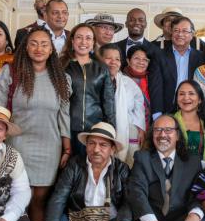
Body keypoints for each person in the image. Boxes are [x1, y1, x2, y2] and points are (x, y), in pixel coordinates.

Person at [0, 26, 72, 221]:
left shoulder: (62, 78)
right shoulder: (11, 72)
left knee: (38, 204)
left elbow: (64, 116)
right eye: (34, 43)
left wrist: (67, 146)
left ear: (52, 50)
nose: (39, 48)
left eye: (44, 44)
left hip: (48, 145)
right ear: (25, 47)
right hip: (17, 144)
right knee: (17, 204)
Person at [60, 23, 116, 155]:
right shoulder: (62, 66)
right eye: (79, 37)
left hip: (95, 130)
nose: (83, 42)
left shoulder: (102, 68)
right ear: (72, 41)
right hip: (67, 130)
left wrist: (111, 130)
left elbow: (109, 103)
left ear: (93, 42)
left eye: (88, 38)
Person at [148, 16, 205, 118]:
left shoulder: (201, 57)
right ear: (171, 33)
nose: (180, 34)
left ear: (192, 34)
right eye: (176, 30)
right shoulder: (159, 56)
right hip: (167, 112)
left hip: (195, 112)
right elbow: (156, 87)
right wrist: (157, 115)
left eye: (185, 31)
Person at [100, 43, 145, 165]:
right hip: (100, 130)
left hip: (126, 131)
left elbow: (139, 105)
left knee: (128, 165)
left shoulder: (128, 83)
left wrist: (140, 128)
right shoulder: (94, 80)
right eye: (108, 58)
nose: (113, 62)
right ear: (99, 60)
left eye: (117, 59)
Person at [172, 80, 205, 161]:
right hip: (174, 170)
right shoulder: (168, 122)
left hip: (202, 171)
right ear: (176, 99)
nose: (186, 98)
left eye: (191, 93)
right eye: (181, 94)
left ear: (200, 99)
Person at [122, 45, 152, 135]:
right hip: (128, 129)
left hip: (150, 128)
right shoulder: (121, 79)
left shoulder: (152, 80)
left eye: (145, 60)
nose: (141, 62)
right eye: (136, 58)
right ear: (128, 60)